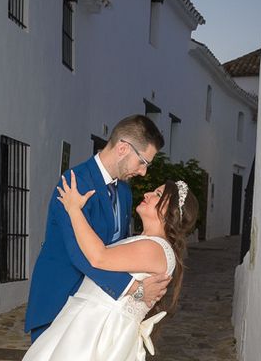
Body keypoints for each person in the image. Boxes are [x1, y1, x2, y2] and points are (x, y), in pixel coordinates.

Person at [23, 172, 198, 361]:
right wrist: (136, 289)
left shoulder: (156, 248)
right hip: (86, 321)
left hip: (99, 330)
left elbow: (99, 257)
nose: (148, 193)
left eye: (157, 194)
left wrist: (74, 209)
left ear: (169, 211)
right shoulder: (144, 241)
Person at [25, 115, 170, 342]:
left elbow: (116, 251)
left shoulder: (124, 191)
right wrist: (136, 288)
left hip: (95, 308)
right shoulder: (75, 183)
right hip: (59, 299)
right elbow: (80, 254)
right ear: (123, 148)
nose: (143, 172)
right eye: (143, 162)